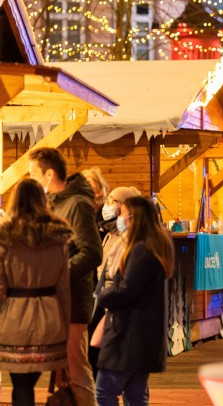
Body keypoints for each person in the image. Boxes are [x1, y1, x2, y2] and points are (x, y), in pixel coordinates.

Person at [28, 147, 102, 406]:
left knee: (77, 371)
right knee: (65, 374)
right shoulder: (53, 204)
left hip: (73, 302)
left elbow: (92, 253)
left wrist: (56, 273)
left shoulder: (77, 204)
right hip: (57, 302)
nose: (31, 180)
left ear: (49, 174)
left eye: (33, 174)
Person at [95, 196, 174, 405]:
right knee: (135, 394)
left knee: (105, 391)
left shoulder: (140, 249)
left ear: (133, 217)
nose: (118, 218)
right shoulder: (154, 246)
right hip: (141, 332)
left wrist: (102, 296)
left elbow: (128, 289)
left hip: (129, 332)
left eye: (121, 213)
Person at [0, 179, 72, 406]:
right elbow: (64, 287)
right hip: (49, 317)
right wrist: (66, 324)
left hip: (14, 318)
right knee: (28, 383)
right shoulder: (58, 237)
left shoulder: (5, 236)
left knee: (21, 386)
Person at [89, 186, 141, 378]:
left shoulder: (130, 239)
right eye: (108, 200)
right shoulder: (108, 232)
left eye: (114, 202)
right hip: (103, 295)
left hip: (114, 300)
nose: (108, 206)